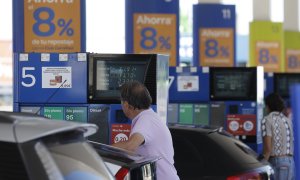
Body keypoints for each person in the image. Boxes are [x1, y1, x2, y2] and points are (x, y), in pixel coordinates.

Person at [112, 81, 179, 180]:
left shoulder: (146, 120)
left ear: (126, 104)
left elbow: (130, 146)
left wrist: (97, 151)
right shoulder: (148, 117)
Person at [261, 93, 295, 180]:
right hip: (291, 162)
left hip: (277, 162)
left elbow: (268, 149)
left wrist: (261, 165)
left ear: (268, 106)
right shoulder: (287, 120)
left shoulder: (267, 120)